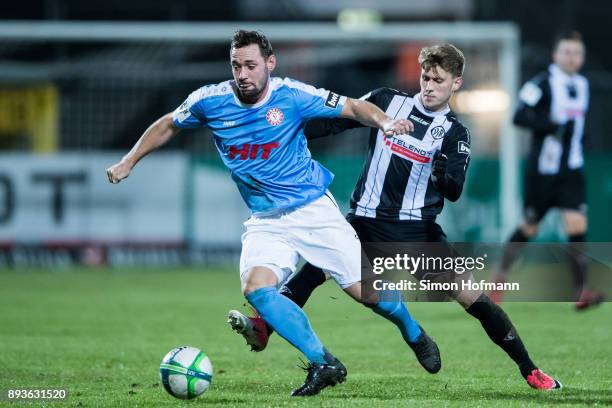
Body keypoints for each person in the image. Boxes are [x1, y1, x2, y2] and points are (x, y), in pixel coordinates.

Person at [106, 29, 440, 397]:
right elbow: (169, 123)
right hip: (266, 220)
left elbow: (353, 106)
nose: (243, 74)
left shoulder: (292, 95)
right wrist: (129, 160)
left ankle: (413, 331)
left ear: (269, 63)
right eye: (236, 66)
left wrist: (385, 122)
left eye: (250, 65)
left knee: (365, 293)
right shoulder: (209, 101)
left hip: (313, 211)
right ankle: (323, 362)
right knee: (257, 289)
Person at [228, 43, 563, 391]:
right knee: (312, 273)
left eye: (438, 80)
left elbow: (454, 189)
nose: (429, 86)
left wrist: (443, 175)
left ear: (456, 83)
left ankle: (530, 371)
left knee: (473, 299)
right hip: (364, 223)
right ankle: (266, 328)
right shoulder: (387, 101)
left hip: (417, 235)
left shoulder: (454, 133)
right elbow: (334, 124)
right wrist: (287, 132)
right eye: (425, 77)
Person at [489, 31, 604, 310]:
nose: (572, 57)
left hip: (571, 171)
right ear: (556, 55)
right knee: (529, 227)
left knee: (577, 225)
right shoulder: (542, 83)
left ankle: (581, 291)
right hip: (542, 172)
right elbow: (519, 116)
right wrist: (550, 125)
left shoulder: (583, 84)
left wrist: (580, 137)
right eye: (566, 52)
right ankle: (498, 280)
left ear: (582, 57)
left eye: (577, 53)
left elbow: (577, 125)